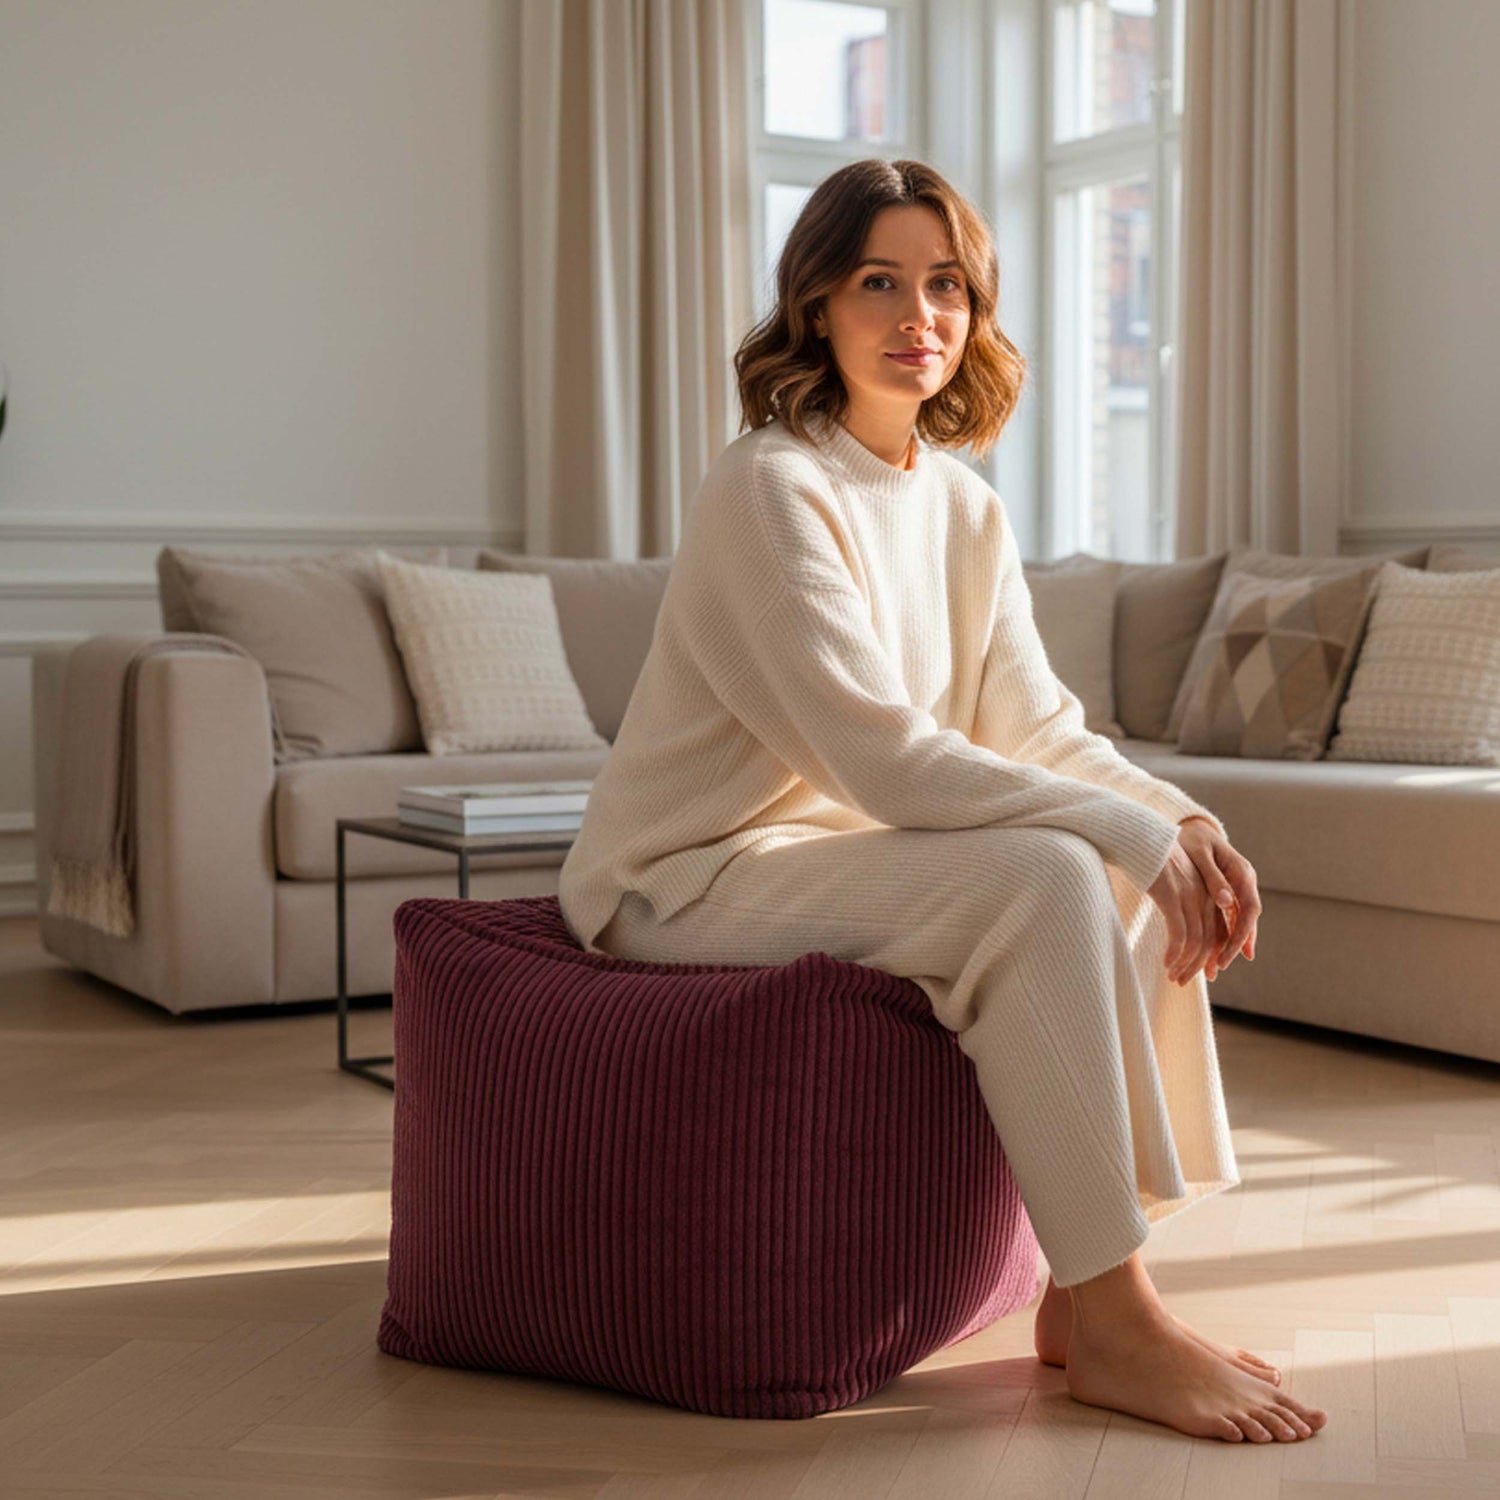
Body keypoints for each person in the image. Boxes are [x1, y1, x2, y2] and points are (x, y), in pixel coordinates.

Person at [557, 158, 1327, 1445]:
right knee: (1048, 871)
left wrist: (1176, 821)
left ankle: (1092, 1304)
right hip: (687, 876)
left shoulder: (963, 504)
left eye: (947, 285)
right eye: (880, 283)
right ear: (816, 306)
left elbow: (1040, 732)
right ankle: (1119, 1314)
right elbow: (889, 761)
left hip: (833, 859)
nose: (920, 314)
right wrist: (1125, 829)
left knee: (1120, 854)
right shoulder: (769, 486)